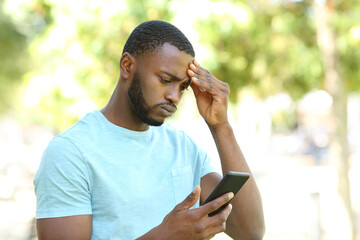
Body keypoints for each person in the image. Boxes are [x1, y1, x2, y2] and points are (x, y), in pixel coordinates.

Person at [34, 20, 265, 240]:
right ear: (127, 66)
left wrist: (221, 127)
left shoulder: (184, 147)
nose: (174, 96)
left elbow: (250, 232)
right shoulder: (71, 152)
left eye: (183, 87)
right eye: (165, 80)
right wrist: (165, 235)